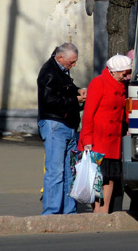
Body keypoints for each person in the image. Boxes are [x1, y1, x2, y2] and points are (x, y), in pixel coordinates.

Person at [36, 42, 86, 214]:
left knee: (69, 172)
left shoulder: (61, 70)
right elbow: (49, 101)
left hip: (68, 125)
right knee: (56, 172)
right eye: (71, 62)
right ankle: (51, 212)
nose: (74, 65)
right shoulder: (49, 72)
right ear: (60, 57)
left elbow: (65, 89)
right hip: (55, 125)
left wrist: (78, 90)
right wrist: (75, 100)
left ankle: (69, 211)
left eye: (75, 61)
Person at [78, 54, 131, 213]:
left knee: (110, 177)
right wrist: (87, 138)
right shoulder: (98, 83)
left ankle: (105, 209)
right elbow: (88, 114)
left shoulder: (122, 85)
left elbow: (124, 110)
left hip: (113, 140)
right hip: (98, 139)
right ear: (114, 71)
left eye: (128, 72)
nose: (126, 75)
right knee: (96, 177)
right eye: (124, 72)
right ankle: (96, 210)